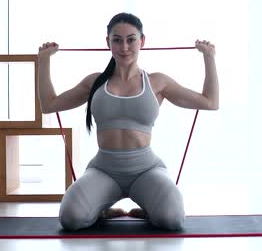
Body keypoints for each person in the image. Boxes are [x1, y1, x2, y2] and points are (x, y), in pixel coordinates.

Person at [37, 12, 219, 231]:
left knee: (173, 219)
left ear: (142, 41)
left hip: (147, 169)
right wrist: (44, 60)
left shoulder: (157, 82)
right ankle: (104, 210)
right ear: (108, 42)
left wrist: (209, 57)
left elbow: (210, 102)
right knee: (71, 218)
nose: (124, 47)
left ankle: (147, 208)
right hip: (104, 169)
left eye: (131, 39)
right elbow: (49, 104)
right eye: (117, 40)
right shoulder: (95, 82)